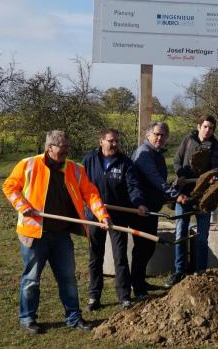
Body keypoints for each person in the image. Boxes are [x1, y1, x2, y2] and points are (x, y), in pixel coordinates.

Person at [2, 130, 112, 335]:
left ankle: (74, 317)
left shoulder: (74, 169)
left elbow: (91, 194)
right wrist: (22, 205)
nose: (65, 154)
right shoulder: (28, 164)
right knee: (31, 279)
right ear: (49, 148)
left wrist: (102, 216)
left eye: (67, 149)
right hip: (35, 232)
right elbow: (9, 186)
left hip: (61, 234)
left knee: (68, 278)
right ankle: (27, 319)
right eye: (61, 150)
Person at [81, 128, 148, 311]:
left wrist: (139, 203)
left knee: (120, 257)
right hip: (94, 216)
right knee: (95, 256)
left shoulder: (125, 162)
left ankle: (124, 296)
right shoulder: (89, 160)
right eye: (111, 141)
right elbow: (82, 185)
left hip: (118, 216)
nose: (115, 144)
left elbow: (133, 186)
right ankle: (94, 296)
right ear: (101, 141)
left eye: (117, 141)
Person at [165, 115, 218, 288]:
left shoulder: (215, 146)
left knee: (201, 237)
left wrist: (211, 177)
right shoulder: (188, 140)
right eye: (205, 126)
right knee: (180, 232)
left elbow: (217, 168)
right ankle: (180, 270)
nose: (208, 130)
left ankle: (200, 271)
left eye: (211, 128)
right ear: (199, 126)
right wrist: (181, 175)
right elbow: (176, 160)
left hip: (204, 197)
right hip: (184, 195)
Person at [131, 121, 186, 298]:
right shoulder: (144, 153)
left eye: (163, 135)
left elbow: (159, 181)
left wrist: (172, 189)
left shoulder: (157, 154)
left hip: (151, 207)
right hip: (141, 207)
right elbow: (154, 179)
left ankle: (140, 282)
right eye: (156, 134)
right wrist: (175, 195)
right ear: (148, 135)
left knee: (148, 247)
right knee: (142, 247)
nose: (160, 138)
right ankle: (137, 287)